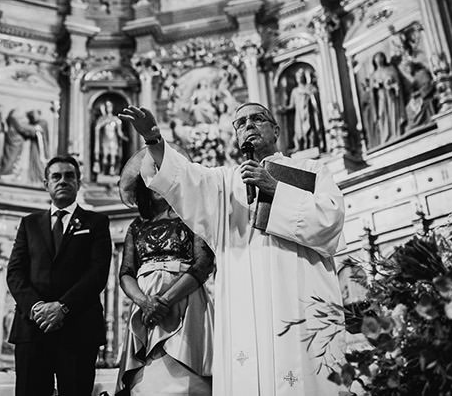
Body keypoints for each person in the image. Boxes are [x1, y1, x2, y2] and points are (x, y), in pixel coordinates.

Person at [119, 102, 347, 394]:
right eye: (240, 122)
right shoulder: (224, 182)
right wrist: (153, 139)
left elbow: (330, 221)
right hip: (244, 311)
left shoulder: (311, 170)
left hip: (300, 300)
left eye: (257, 118)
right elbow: (183, 178)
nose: (248, 125)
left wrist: (275, 188)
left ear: (276, 130)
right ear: (236, 137)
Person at [6, 156, 112, 396]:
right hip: (33, 328)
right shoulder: (29, 224)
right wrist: (36, 307)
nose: (63, 181)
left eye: (69, 176)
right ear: (46, 184)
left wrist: (62, 307)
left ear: (78, 182)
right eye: (56, 176)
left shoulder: (96, 222)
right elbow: (15, 273)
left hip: (79, 328)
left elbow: (97, 273)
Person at [115, 152, 216, 395]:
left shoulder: (193, 216)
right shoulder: (137, 226)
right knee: (146, 382)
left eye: (165, 173)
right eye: (153, 173)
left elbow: (203, 265)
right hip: (146, 306)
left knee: (187, 382)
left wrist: (165, 301)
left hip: (187, 302)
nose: (159, 179)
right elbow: (126, 272)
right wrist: (145, 302)